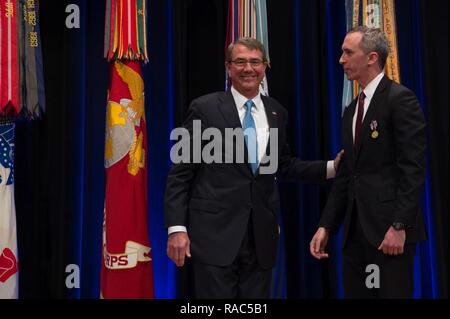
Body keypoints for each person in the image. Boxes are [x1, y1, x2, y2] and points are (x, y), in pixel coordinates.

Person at [165, 37, 342, 298]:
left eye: (255, 62)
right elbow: (181, 173)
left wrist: (332, 167)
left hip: (260, 239)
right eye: (240, 62)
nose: (248, 68)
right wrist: (176, 229)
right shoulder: (204, 108)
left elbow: (282, 166)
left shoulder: (276, 112)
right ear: (228, 67)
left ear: (265, 67)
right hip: (214, 237)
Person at [310, 27, 427, 298]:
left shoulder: (400, 100)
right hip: (355, 233)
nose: (341, 59)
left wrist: (400, 226)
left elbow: (413, 169)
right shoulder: (352, 110)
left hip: (388, 234)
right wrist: (326, 225)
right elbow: (348, 175)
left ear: (372, 57)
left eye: (348, 53)